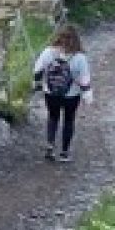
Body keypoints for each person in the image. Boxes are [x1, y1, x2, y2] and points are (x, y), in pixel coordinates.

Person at [31, 24, 92, 162]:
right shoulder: (79, 57)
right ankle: (64, 152)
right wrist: (87, 94)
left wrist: (37, 85)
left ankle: (50, 146)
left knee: (53, 117)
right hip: (71, 94)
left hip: (50, 92)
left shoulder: (48, 52)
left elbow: (37, 70)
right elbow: (84, 78)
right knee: (69, 120)